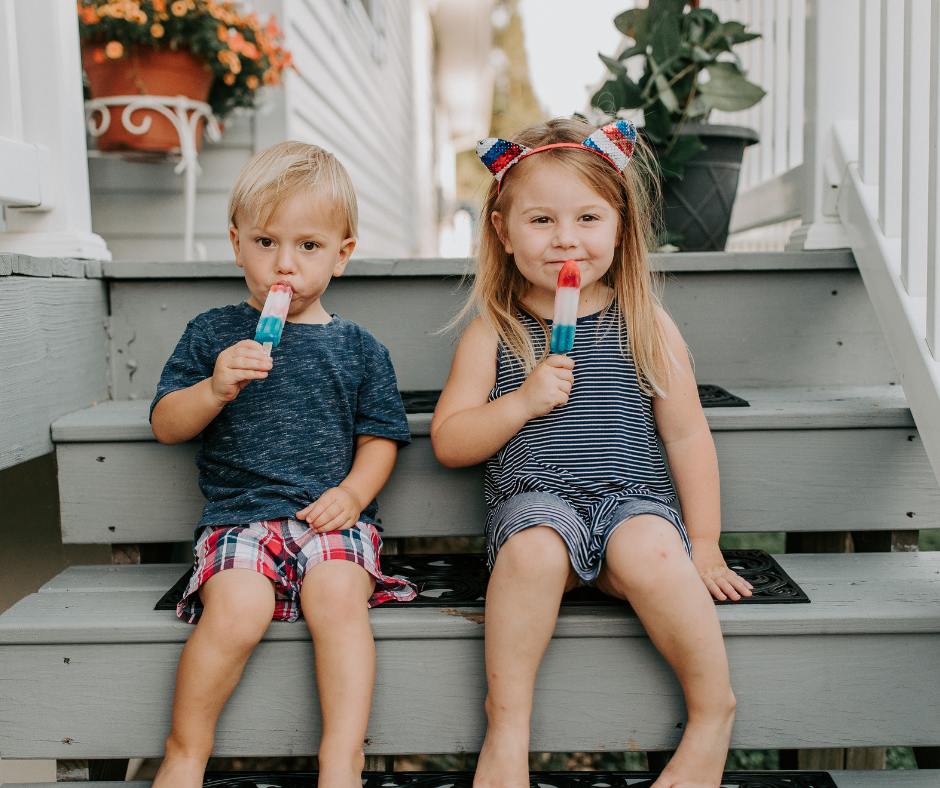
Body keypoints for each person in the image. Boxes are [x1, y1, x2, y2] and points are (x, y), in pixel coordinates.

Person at [431, 117, 753, 788]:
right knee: (533, 550)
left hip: (633, 501)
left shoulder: (644, 321)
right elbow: (449, 440)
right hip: (535, 505)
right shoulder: (494, 330)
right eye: (541, 220)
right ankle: (507, 728)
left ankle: (712, 713)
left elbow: (688, 433)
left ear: (620, 225)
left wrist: (705, 541)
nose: (566, 239)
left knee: (653, 552)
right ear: (503, 231)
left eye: (587, 217)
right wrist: (520, 402)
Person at [149, 141, 415, 788]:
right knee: (236, 611)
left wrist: (354, 495)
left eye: (308, 246)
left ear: (342, 255)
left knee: (339, 602)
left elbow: (381, 437)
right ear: (237, 243)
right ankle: (185, 752)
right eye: (266, 243)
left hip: (333, 521)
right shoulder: (213, 334)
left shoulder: (358, 349)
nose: (284, 267)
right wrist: (212, 389)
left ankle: (341, 759)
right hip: (240, 522)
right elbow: (165, 425)